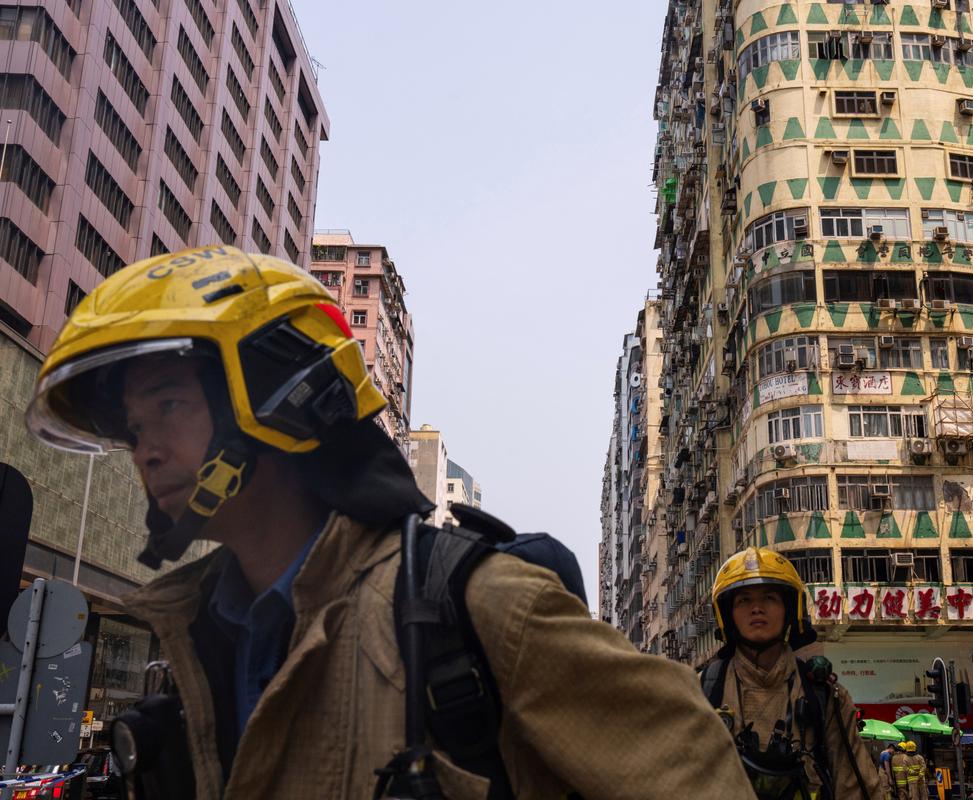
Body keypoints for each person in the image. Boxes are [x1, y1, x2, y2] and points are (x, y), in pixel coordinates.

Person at [25, 247, 759, 800]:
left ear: (282, 396)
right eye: (132, 426)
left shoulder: (475, 605)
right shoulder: (195, 636)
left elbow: (696, 767)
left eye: (170, 406)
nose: (146, 450)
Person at [700, 547, 881, 799]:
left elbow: (855, 785)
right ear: (727, 615)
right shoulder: (703, 691)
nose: (757, 609)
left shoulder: (824, 694)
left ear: (790, 609)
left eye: (769, 598)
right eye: (744, 600)